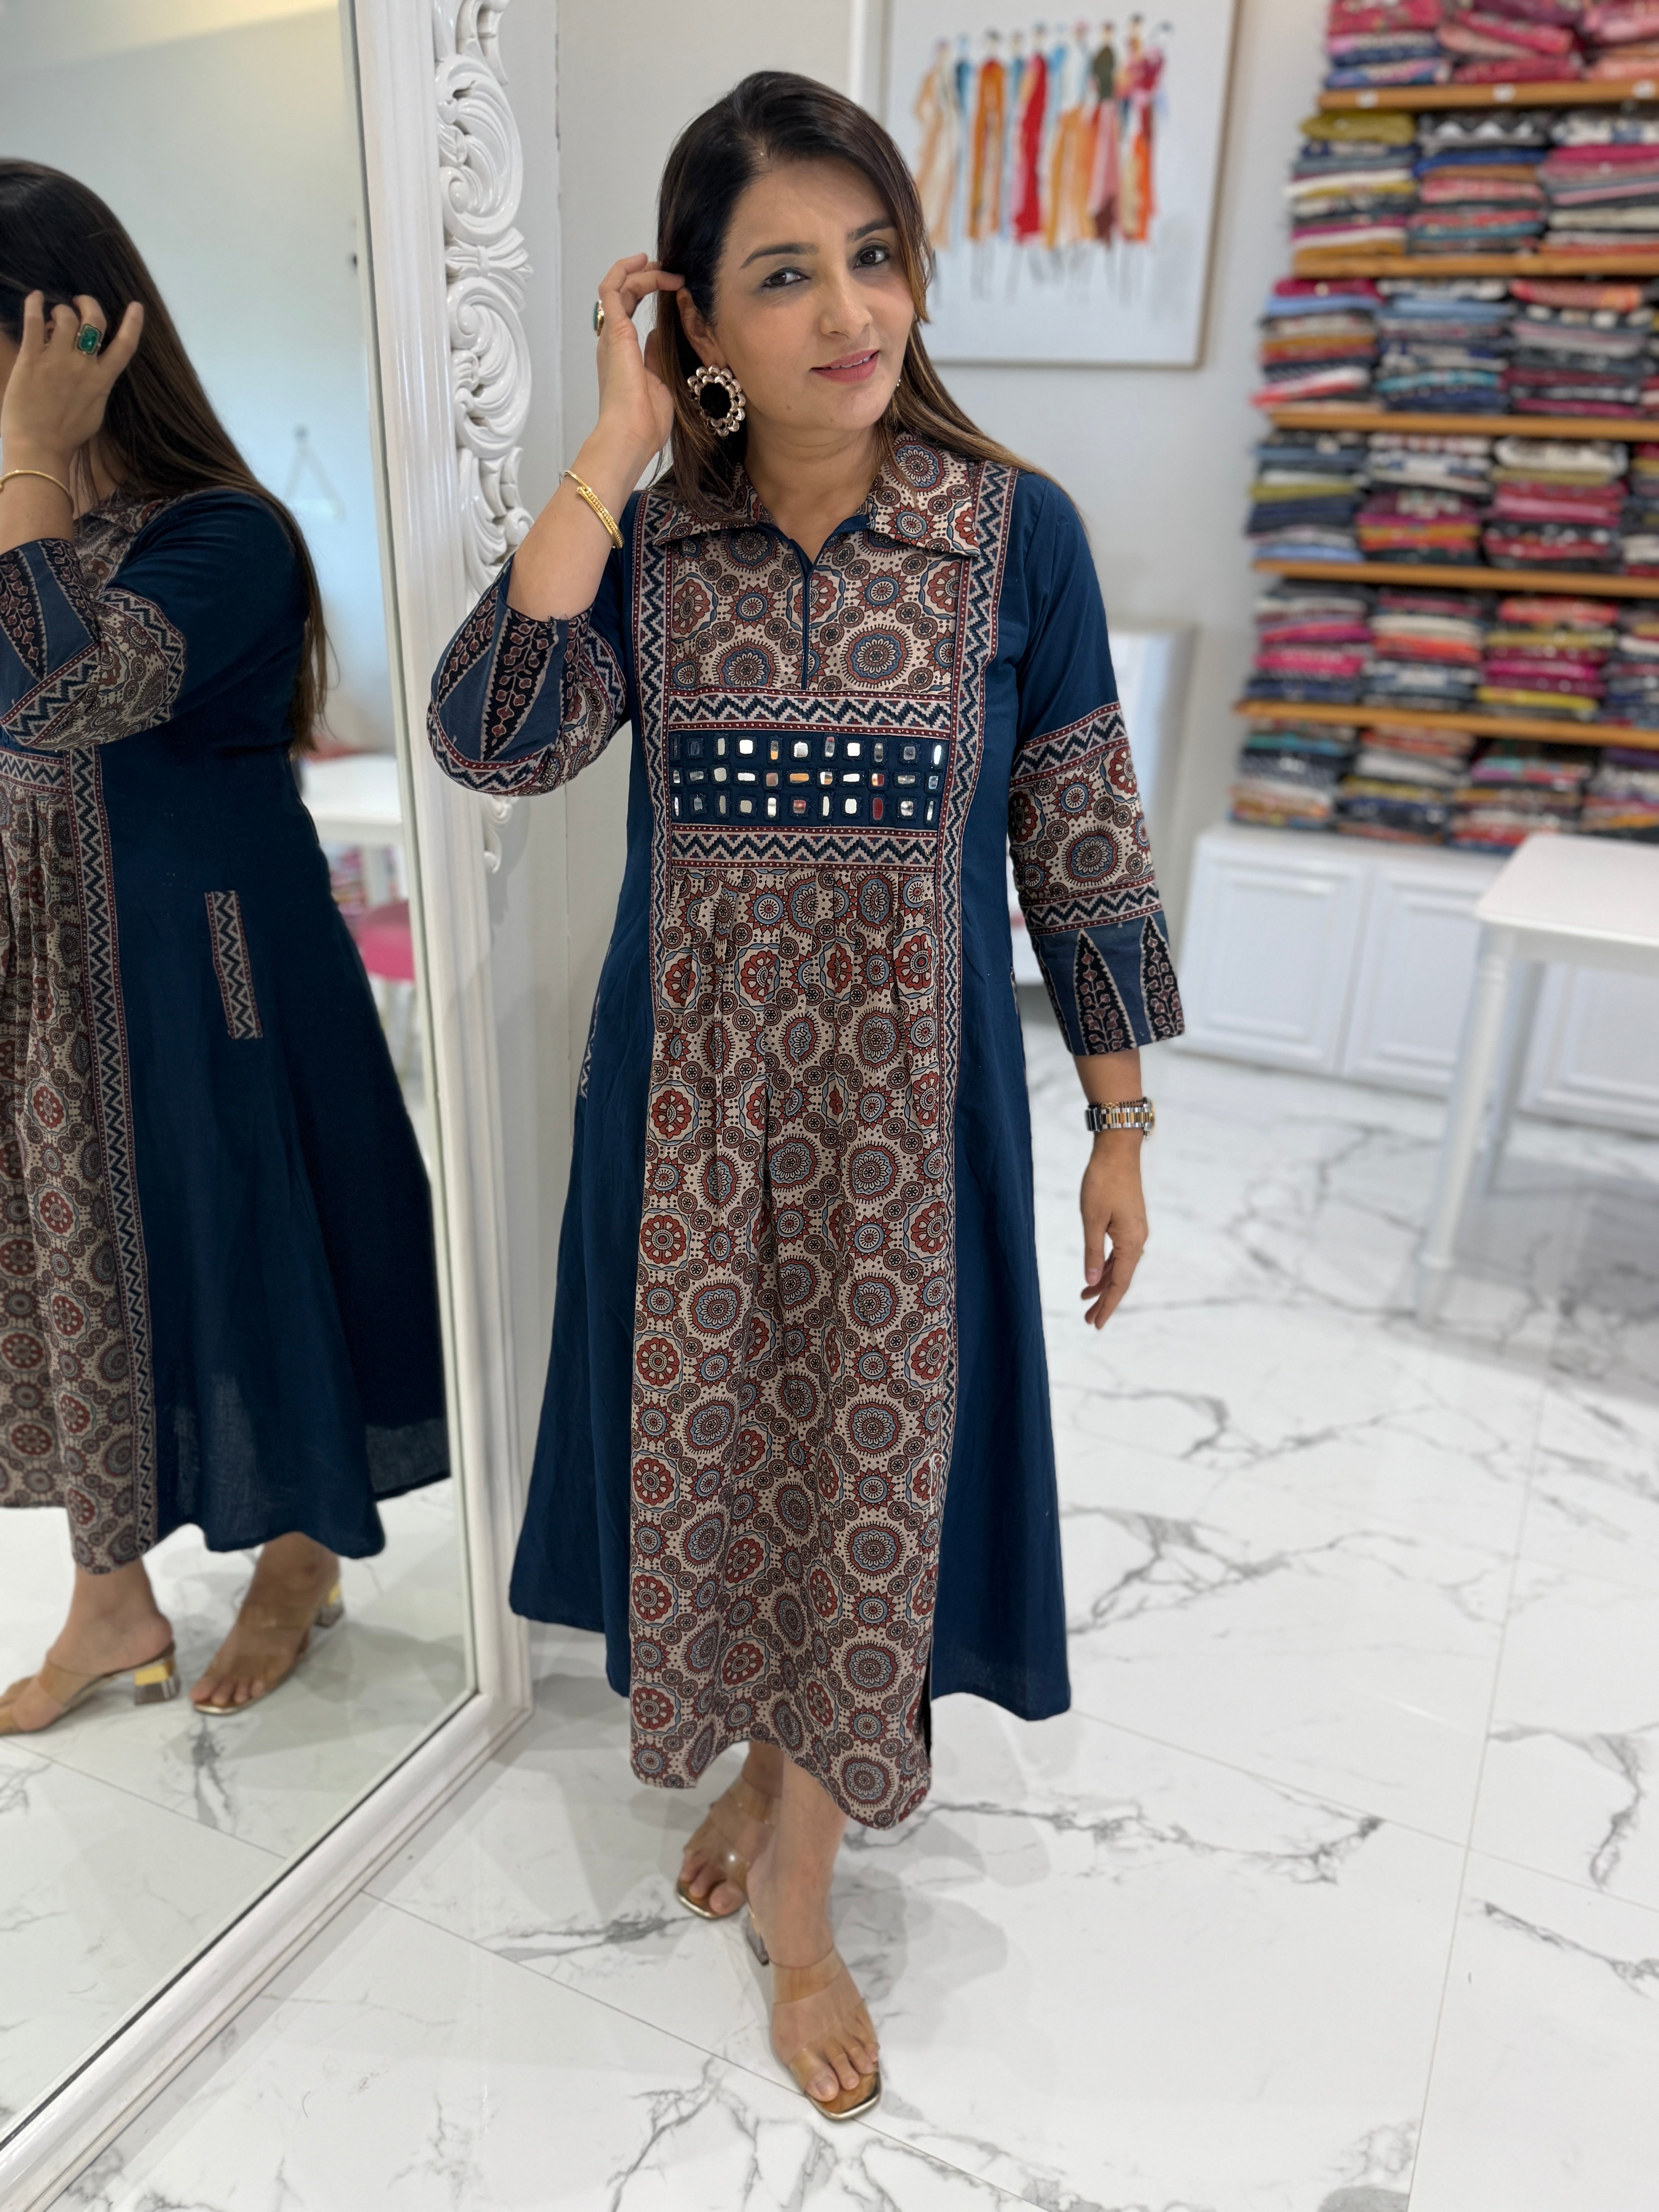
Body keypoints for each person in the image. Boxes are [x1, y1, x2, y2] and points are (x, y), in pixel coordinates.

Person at [428, 71, 1182, 2120]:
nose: (851, 312)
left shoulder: (1012, 535)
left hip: (907, 1129)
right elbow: (493, 735)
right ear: (696, 315)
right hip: (679, 1120)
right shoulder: (652, 546)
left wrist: (1116, 1127)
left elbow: (1081, 845)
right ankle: (763, 1764)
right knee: (723, 1457)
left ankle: (805, 1888)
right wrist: (612, 443)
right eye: (783, 275)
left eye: (873, 256)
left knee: (865, 1478)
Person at [0, 162, 448, 1732]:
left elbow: (63, 691)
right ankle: (109, 1602)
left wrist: (27, 461)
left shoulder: (224, 535)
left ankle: (299, 1553)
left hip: (214, 972)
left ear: (73, 336)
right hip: (53, 982)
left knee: (250, 1246)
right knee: (73, 1272)